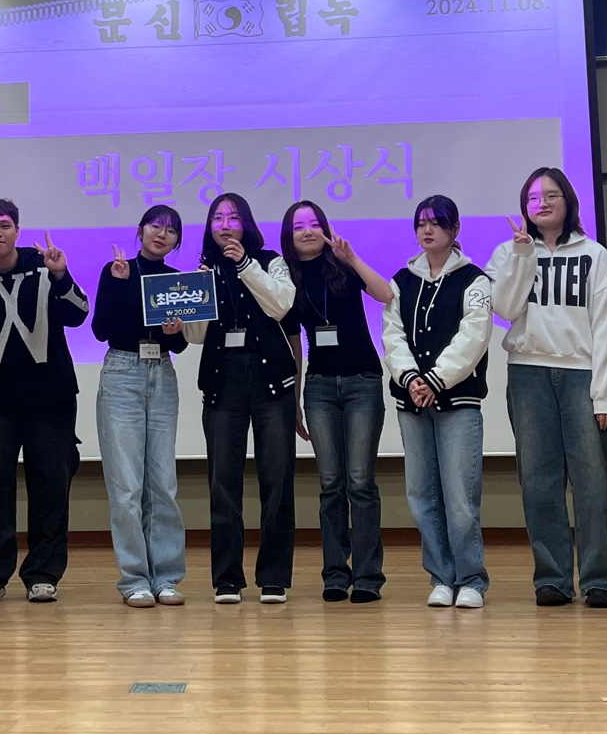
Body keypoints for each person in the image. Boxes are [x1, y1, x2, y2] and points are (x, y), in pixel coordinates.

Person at [487, 166, 607, 608]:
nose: (541, 203)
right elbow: (505, 308)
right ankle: (553, 578)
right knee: (538, 481)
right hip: (528, 374)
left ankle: (600, 579)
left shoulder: (594, 254)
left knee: (593, 481)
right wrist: (522, 256)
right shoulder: (508, 252)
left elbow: (605, 328)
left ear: (568, 200)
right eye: (532, 198)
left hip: (582, 375)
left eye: (550, 195)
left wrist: (605, 395)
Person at [0, 198, 89, 607]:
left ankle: (43, 575)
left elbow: (79, 313)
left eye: (4, 225)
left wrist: (62, 275)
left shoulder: (44, 265)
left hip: (51, 397)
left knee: (51, 483)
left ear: (17, 230)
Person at [184, 193, 298, 604]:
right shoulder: (203, 270)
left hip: (271, 382)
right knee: (223, 482)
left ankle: (274, 576)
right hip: (222, 380)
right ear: (209, 228)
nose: (225, 224)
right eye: (217, 218)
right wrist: (191, 308)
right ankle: (227, 578)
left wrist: (245, 264)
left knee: (277, 479)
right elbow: (196, 337)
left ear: (246, 223)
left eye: (233, 217)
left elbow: (281, 305)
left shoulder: (270, 261)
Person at [383, 195, 494, 609]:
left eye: (436, 222)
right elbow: (392, 335)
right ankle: (441, 577)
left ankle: (471, 579)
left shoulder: (474, 279)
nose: (427, 230)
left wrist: (435, 379)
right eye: (421, 223)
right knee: (421, 495)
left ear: (455, 229)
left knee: (460, 498)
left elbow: (474, 336)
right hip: (412, 402)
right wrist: (411, 378)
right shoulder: (401, 280)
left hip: (458, 402)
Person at [279, 200, 393, 604]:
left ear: (326, 229)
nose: (307, 231)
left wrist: (352, 257)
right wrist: (294, 401)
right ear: (289, 236)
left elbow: (385, 294)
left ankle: (367, 576)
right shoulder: (286, 278)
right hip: (320, 387)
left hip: (363, 381)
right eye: (298, 227)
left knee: (360, 482)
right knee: (331, 485)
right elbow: (294, 345)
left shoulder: (342, 265)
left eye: (314, 224)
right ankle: (334, 574)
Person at [92, 206, 189, 608]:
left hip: (161, 373)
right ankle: (134, 578)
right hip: (122, 373)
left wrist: (175, 330)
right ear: (140, 230)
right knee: (127, 486)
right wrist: (118, 286)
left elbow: (179, 344)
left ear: (177, 241)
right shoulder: (117, 270)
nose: (161, 234)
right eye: (155, 226)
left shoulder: (177, 281)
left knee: (163, 484)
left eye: (171, 231)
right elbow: (100, 330)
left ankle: (166, 577)